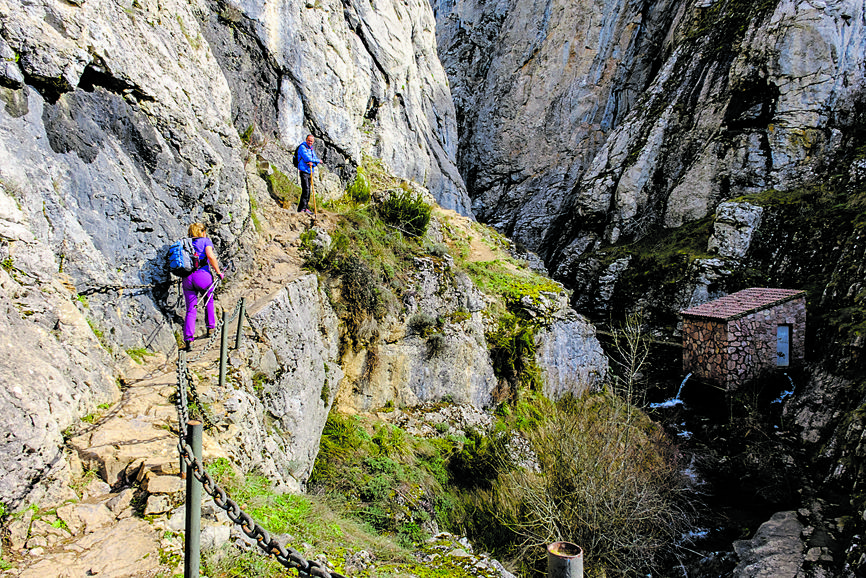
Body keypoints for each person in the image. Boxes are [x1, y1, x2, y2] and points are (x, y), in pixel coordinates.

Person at [181, 223, 224, 350]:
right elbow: (210, 256)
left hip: (187, 278)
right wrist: (218, 272)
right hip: (203, 276)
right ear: (203, 232)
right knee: (208, 300)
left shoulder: (185, 242)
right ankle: (210, 328)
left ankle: (189, 339)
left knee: (191, 309)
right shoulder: (206, 241)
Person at [297, 134, 321, 214]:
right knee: (306, 189)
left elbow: (313, 161)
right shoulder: (302, 147)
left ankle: (305, 207)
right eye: (309, 140)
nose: (310, 142)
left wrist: (314, 163)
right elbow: (307, 158)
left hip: (310, 171)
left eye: (311, 141)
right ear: (306, 140)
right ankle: (302, 208)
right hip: (303, 170)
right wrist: (317, 160)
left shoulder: (311, 149)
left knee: (308, 190)